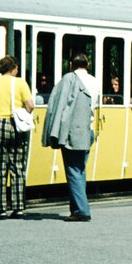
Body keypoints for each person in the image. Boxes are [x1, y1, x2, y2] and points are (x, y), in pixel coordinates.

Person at [43, 53, 99, 222]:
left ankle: (81, 211)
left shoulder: (69, 79)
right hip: (88, 129)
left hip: (73, 131)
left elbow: (60, 105)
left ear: (70, 64)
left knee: (74, 171)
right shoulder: (95, 81)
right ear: (87, 64)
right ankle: (79, 207)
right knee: (80, 170)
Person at [0, 56, 35, 218]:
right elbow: (30, 105)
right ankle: (18, 207)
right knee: (17, 166)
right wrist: (23, 115)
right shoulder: (20, 83)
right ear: (14, 68)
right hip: (17, 126)